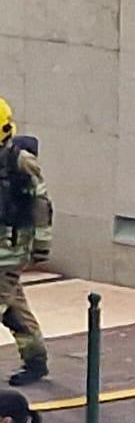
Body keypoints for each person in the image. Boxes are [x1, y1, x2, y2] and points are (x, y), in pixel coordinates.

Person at [0, 102, 52, 386]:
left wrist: (41, 245)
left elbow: (41, 203)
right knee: (13, 307)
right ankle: (35, 359)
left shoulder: (20, 161)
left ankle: (35, 361)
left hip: (11, 247)